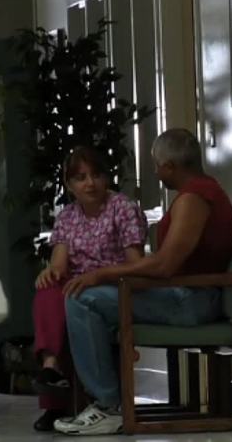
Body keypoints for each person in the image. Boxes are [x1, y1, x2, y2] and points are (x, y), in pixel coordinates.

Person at [54, 128, 232, 436]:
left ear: (169, 167)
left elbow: (165, 264)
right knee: (87, 296)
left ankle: (108, 406)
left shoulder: (195, 198)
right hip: (186, 294)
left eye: (156, 165)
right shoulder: (200, 192)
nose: (155, 172)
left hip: (192, 300)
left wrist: (101, 274)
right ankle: (107, 400)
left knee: (82, 300)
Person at [32, 146, 147, 431]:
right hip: (78, 286)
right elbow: (59, 264)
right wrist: (49, 272)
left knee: (73, 300)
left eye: (96, 175)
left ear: (106, 178)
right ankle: (50, 368)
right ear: (69, 185)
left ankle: (68, 403)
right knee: (49, 291)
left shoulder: (122, 208)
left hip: (113, 286)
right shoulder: (67, 216)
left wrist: (97, 278)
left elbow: (136, 264)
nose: (90, 183)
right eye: (81, 178)